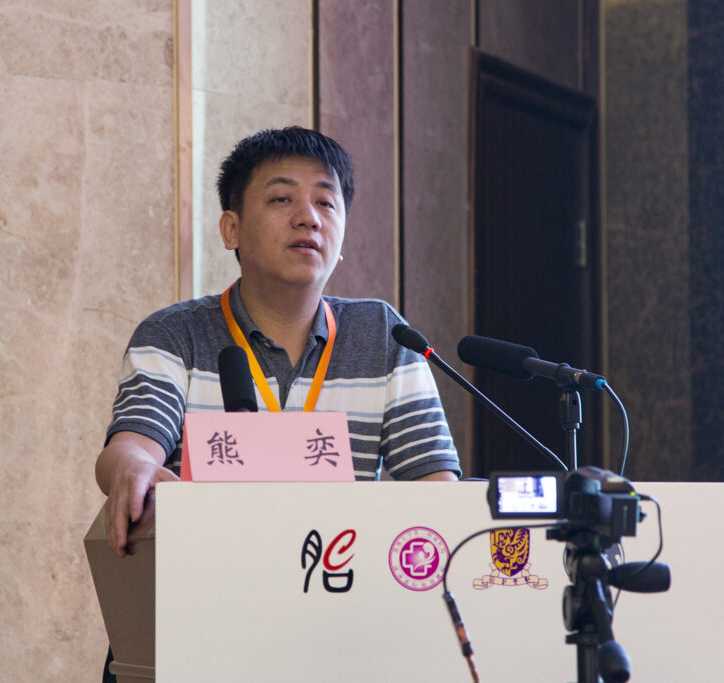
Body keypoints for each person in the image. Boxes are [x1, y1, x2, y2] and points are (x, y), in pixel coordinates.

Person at [95, 126, 460, 559]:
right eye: (282, 199)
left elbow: (437, 490)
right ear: (231, 230)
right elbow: (131, 447)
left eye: (326, 202)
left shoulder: (382, 335)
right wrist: (133, 468)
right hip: (208, 576)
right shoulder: (175, 335)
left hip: (342, 582)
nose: (309, 218)